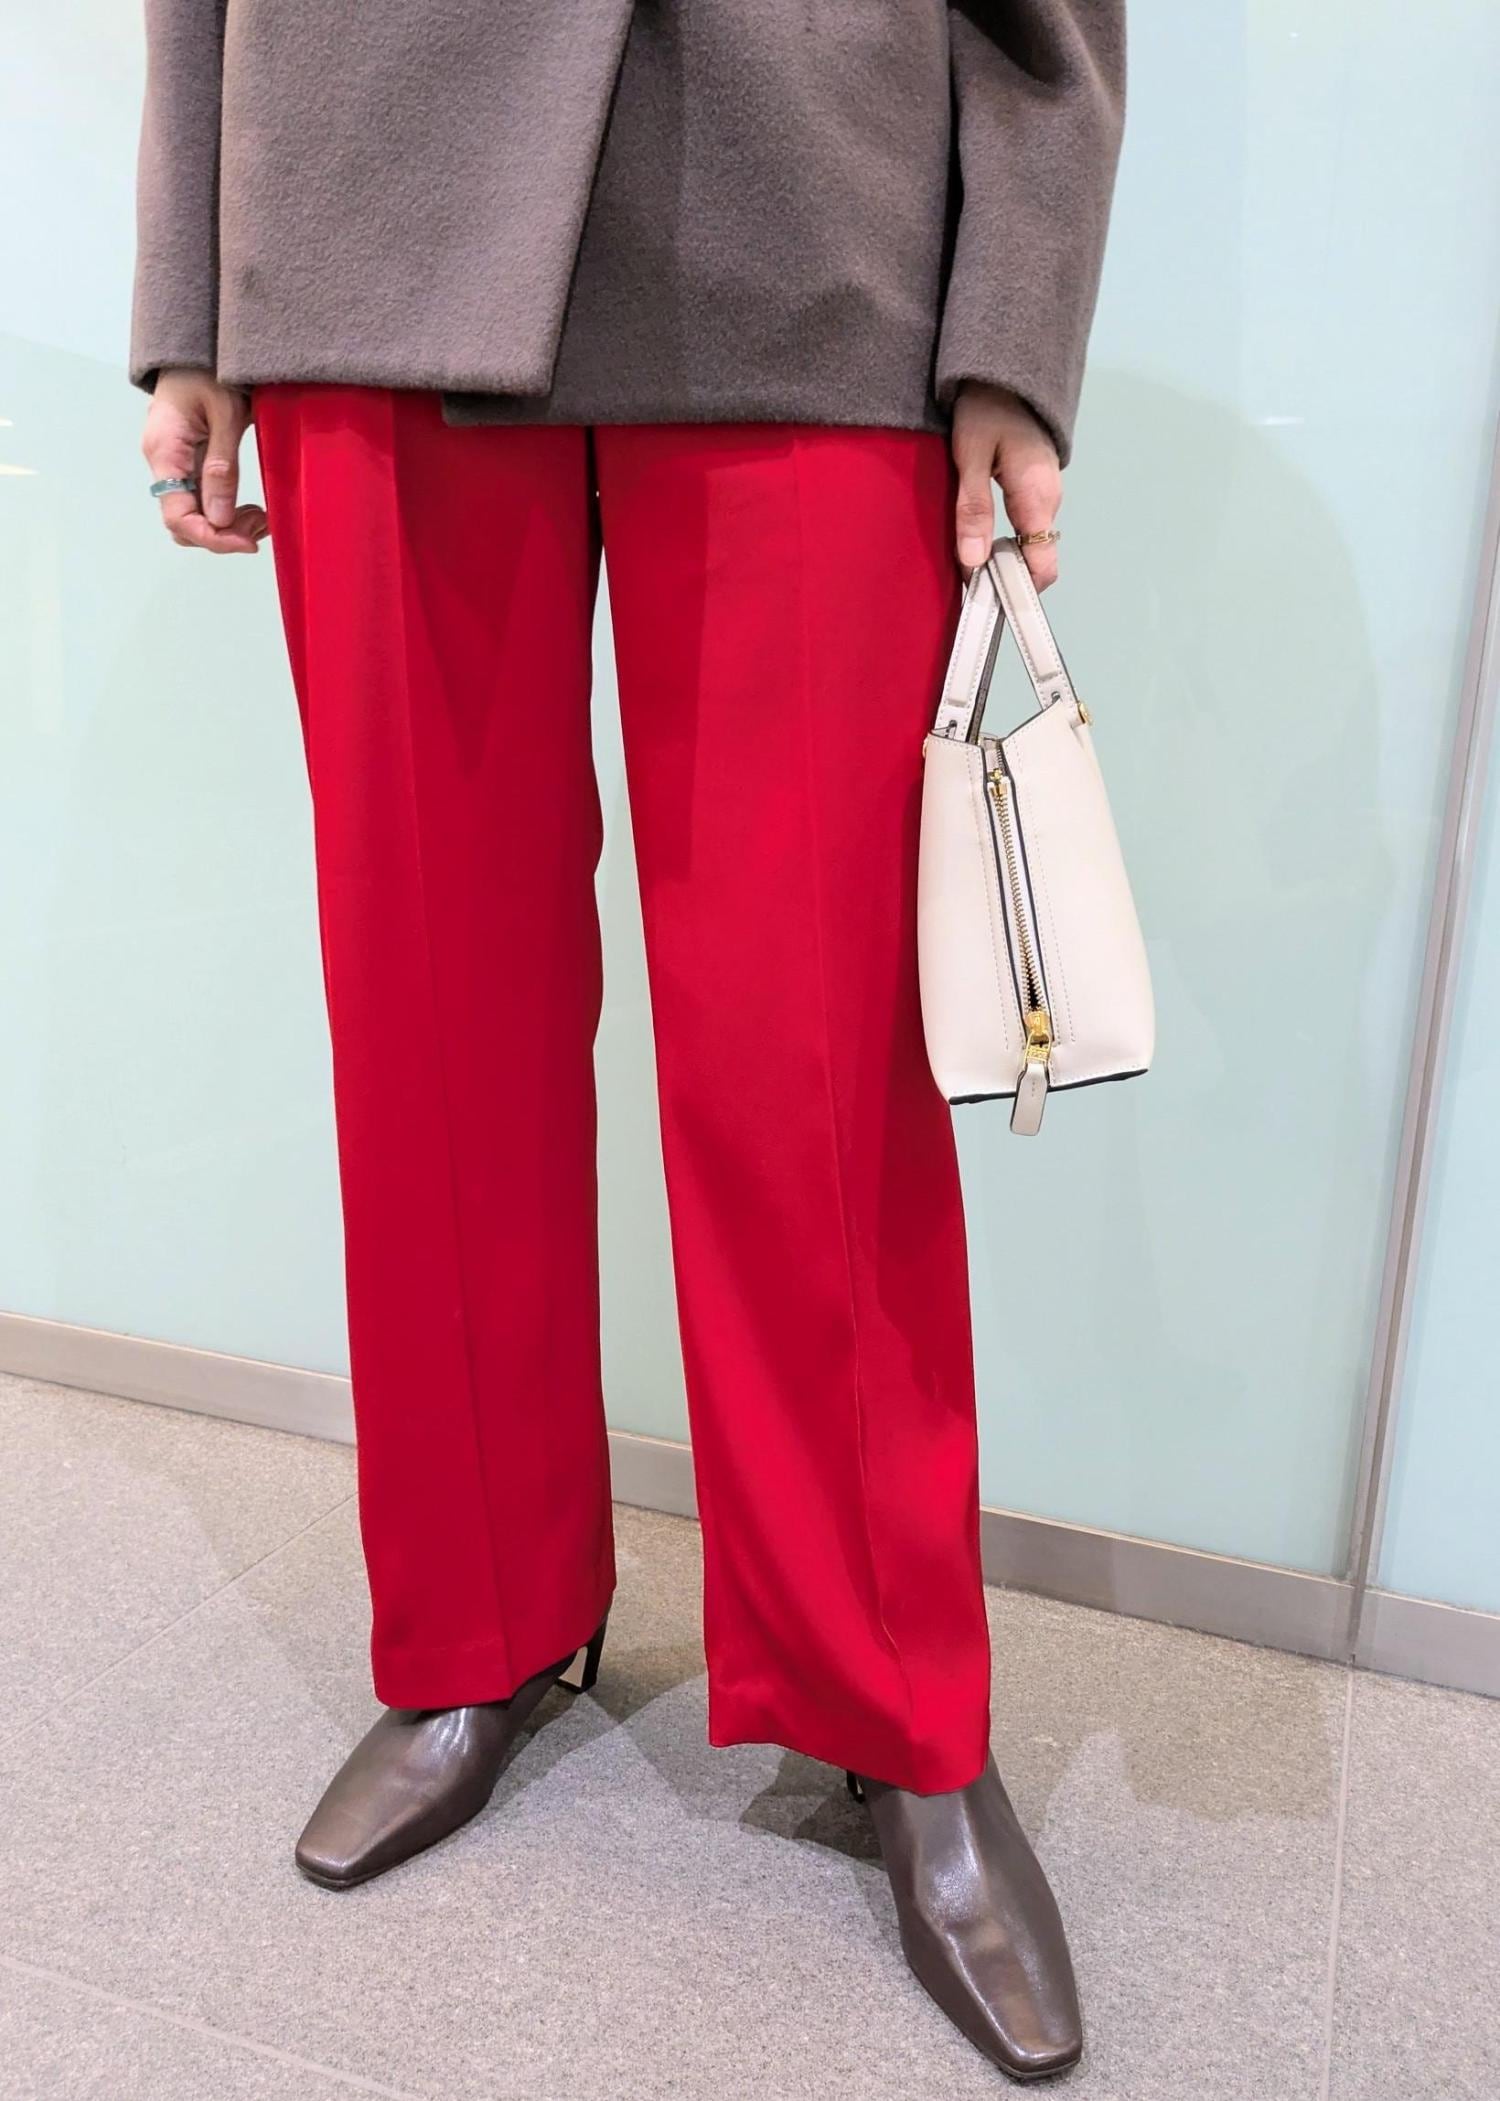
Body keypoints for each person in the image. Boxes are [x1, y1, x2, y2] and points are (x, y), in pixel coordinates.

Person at [133, 1, 1124, 2082]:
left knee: (815, 1056)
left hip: (806, 184)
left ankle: (894, 1705)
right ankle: (477, 1625)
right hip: (366, 193)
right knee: (425, 1013)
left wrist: (1014, 322)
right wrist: (193, 283)